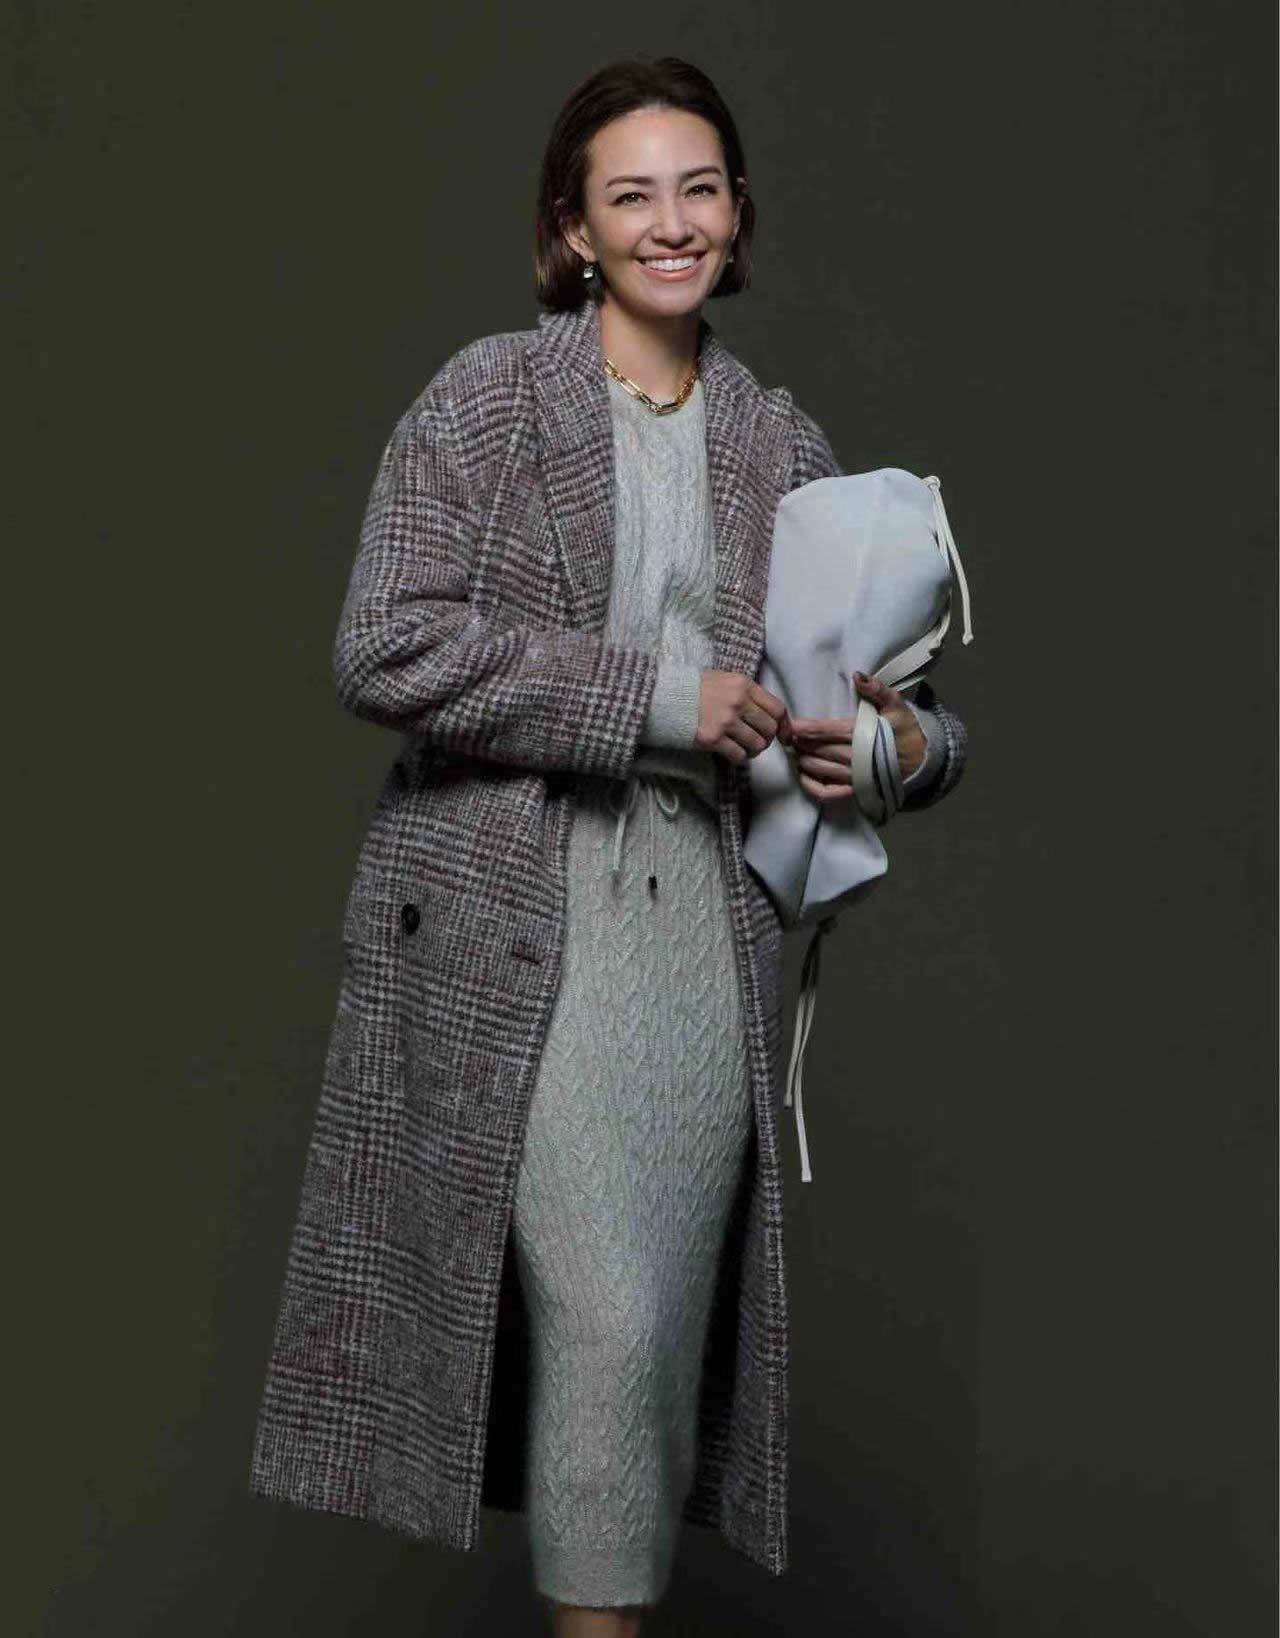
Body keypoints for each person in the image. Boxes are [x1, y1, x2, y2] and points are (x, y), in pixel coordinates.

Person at [248, 55, 967, 1638]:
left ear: (739, 215)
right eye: (630, 195)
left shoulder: (781, 440)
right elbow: (385, 644)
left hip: (699, 946)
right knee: (611, 1322)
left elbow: (906, 704)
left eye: (699, 189)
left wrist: (892, 746)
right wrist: (652, 695)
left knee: (642, 1361)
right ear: (572, 227)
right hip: (520, 925)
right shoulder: (489, 401)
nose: (670, 222)